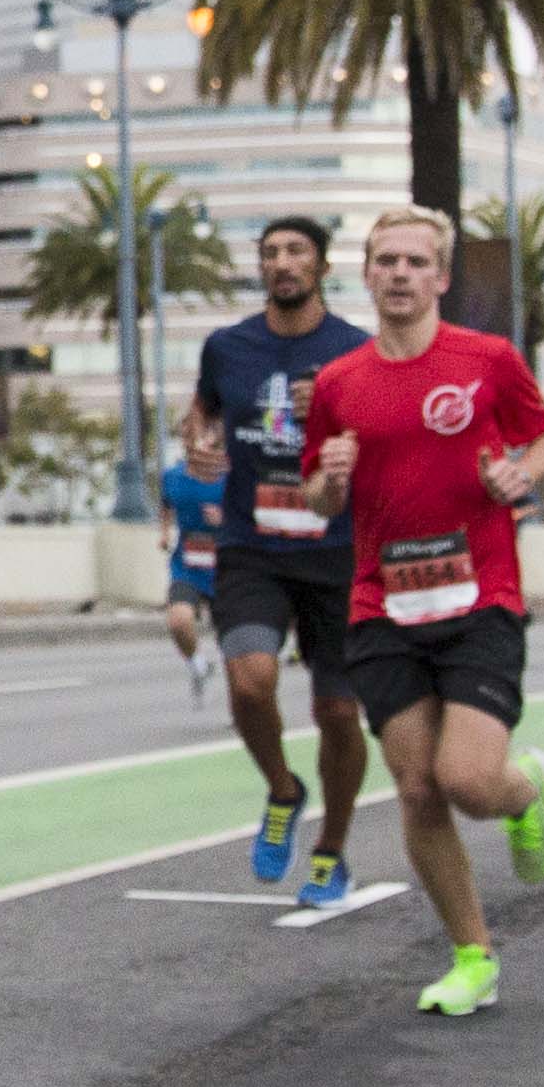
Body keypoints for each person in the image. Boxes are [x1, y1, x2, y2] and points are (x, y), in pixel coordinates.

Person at [297, 209, 544, 1018]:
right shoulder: (339, 384)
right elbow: (316, 497)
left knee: (467, 782)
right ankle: (472, 956)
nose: (398, 274)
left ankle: (526, 793)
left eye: (415, 262)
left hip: (479, 597)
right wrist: (332, 480)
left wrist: (521, 475)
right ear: (365, 273)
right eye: (384, 260)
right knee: (417, 789)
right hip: (381, 605)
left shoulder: (485, 361)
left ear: (441, 278)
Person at [194, 218, 379, 907]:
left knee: (336, 713)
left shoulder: (357, 352)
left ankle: (330, 850)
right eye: (269, 252)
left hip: (336, 552)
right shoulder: (228, 347)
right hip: (252, 546)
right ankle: (282, 788)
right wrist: (201, 444)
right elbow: (204, 414)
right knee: (249, 681)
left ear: (322, 266)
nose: (281, 263)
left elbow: (384, 450)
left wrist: (334, 418)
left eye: (295, 251)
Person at [156, 405, 230, 702]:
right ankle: (198, 665)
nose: (191, 439)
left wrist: (224, 520)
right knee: (179, 621)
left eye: (196, 432)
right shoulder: (172, 476)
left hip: (227, 565)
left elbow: (252, 517)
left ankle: (242, 703)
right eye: (185, 434)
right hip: (187, 564)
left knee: (234, 645)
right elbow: (165, 505)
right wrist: (163, 532)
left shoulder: (231, 475)